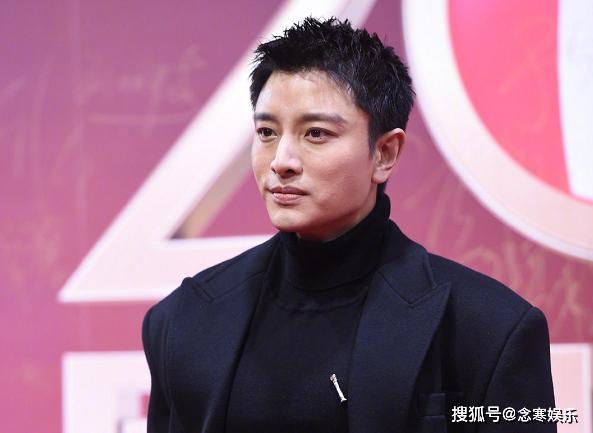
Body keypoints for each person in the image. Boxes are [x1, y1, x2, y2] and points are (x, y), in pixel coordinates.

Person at [141, 17, 556, 433]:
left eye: (315, 133)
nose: (281, 161)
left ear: (385, 153)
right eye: (266, 132)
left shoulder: (490, 329)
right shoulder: (183, 320)